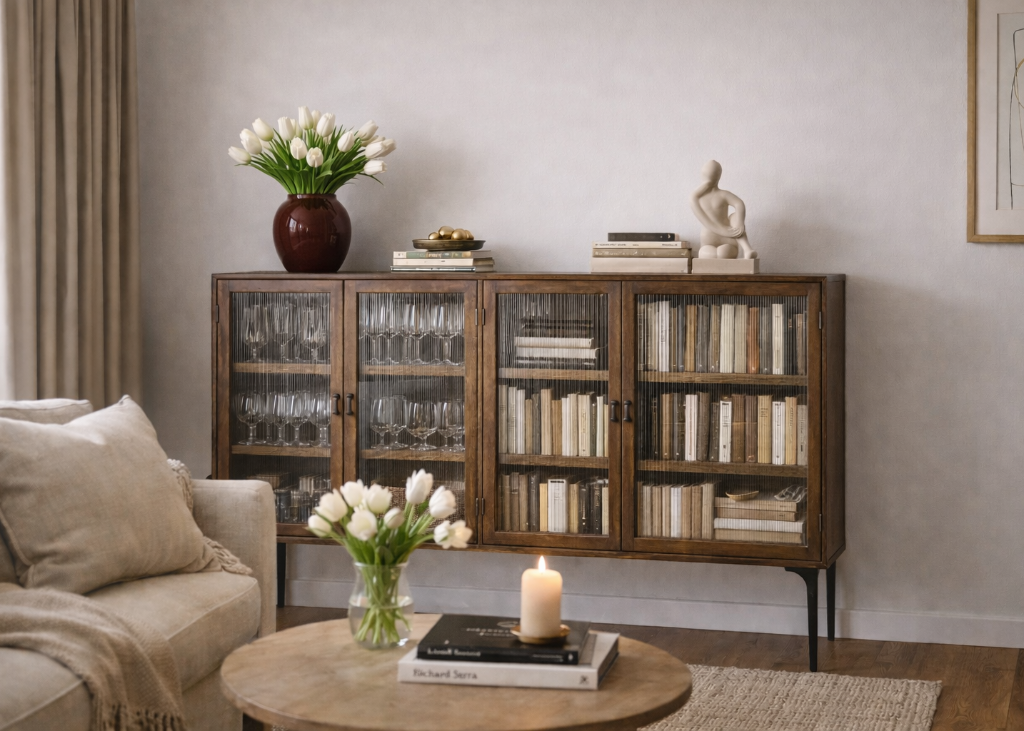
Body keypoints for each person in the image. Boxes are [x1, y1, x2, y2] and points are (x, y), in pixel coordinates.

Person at [690, 160, 757, 260]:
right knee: (710, 254)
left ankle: (747, 249)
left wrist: (739, 223)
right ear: (719, 176)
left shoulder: (721, 195)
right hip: (710, 237)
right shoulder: (696, 197)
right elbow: (698, 211)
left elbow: (739, 204)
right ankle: (747, 248)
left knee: (733, 217)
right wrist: (722, 230)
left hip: (728, 237)